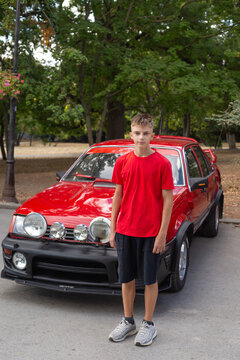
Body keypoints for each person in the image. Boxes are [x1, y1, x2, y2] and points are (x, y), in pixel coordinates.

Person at [108, 113, 174, 347]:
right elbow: (118, 195)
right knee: (126, 279)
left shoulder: (162, 164)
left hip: (151, 233)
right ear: (131, 134)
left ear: (152, 134)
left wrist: (162, 233)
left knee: (149, 281)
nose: (141, 137)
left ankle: (148, 324)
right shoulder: (123, 161)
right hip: (126, 229)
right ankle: (128, 321)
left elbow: (168, 201)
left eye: (146, 133)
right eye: (137, 133)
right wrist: (113, 228)